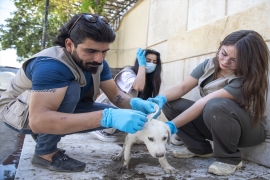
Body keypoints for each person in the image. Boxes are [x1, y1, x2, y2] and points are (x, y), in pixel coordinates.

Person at [0, 13, 157, 172]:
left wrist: (137, 105)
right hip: (18, 113)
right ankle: (45, 153)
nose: (99, 58)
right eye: (91, 51)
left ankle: (44, 137)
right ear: (69, 44)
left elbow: (116, 95)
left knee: (114, 113)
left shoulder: (99, 64)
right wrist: (107, 118)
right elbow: (39, 121)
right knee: (75, 90)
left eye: (104, 51)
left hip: (44, 112)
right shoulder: (52, 65)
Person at [148, 30, 270, 176]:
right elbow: (182, 87)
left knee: (215, 104)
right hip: (218, 123)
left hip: (249, 131)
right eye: (224, 53)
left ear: (247, 62)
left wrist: (170, 126)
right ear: (220, 47)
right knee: (170, 103)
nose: (225, 61)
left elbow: (203, 103)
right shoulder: (209, 65)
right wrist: (158, 100)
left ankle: (230, 159)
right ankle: (199, 149)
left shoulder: (244, 79)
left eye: (235, 60)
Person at [91, 48, 163, 141]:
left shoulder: (151, 80)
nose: (151, 64)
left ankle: (120, 129)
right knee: (132, 96)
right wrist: (142, 66)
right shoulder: (127, 73)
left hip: (123, 109)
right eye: (147, 61)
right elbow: (138, 86)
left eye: (154, 62)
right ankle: (103, 128)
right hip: (108, 107)